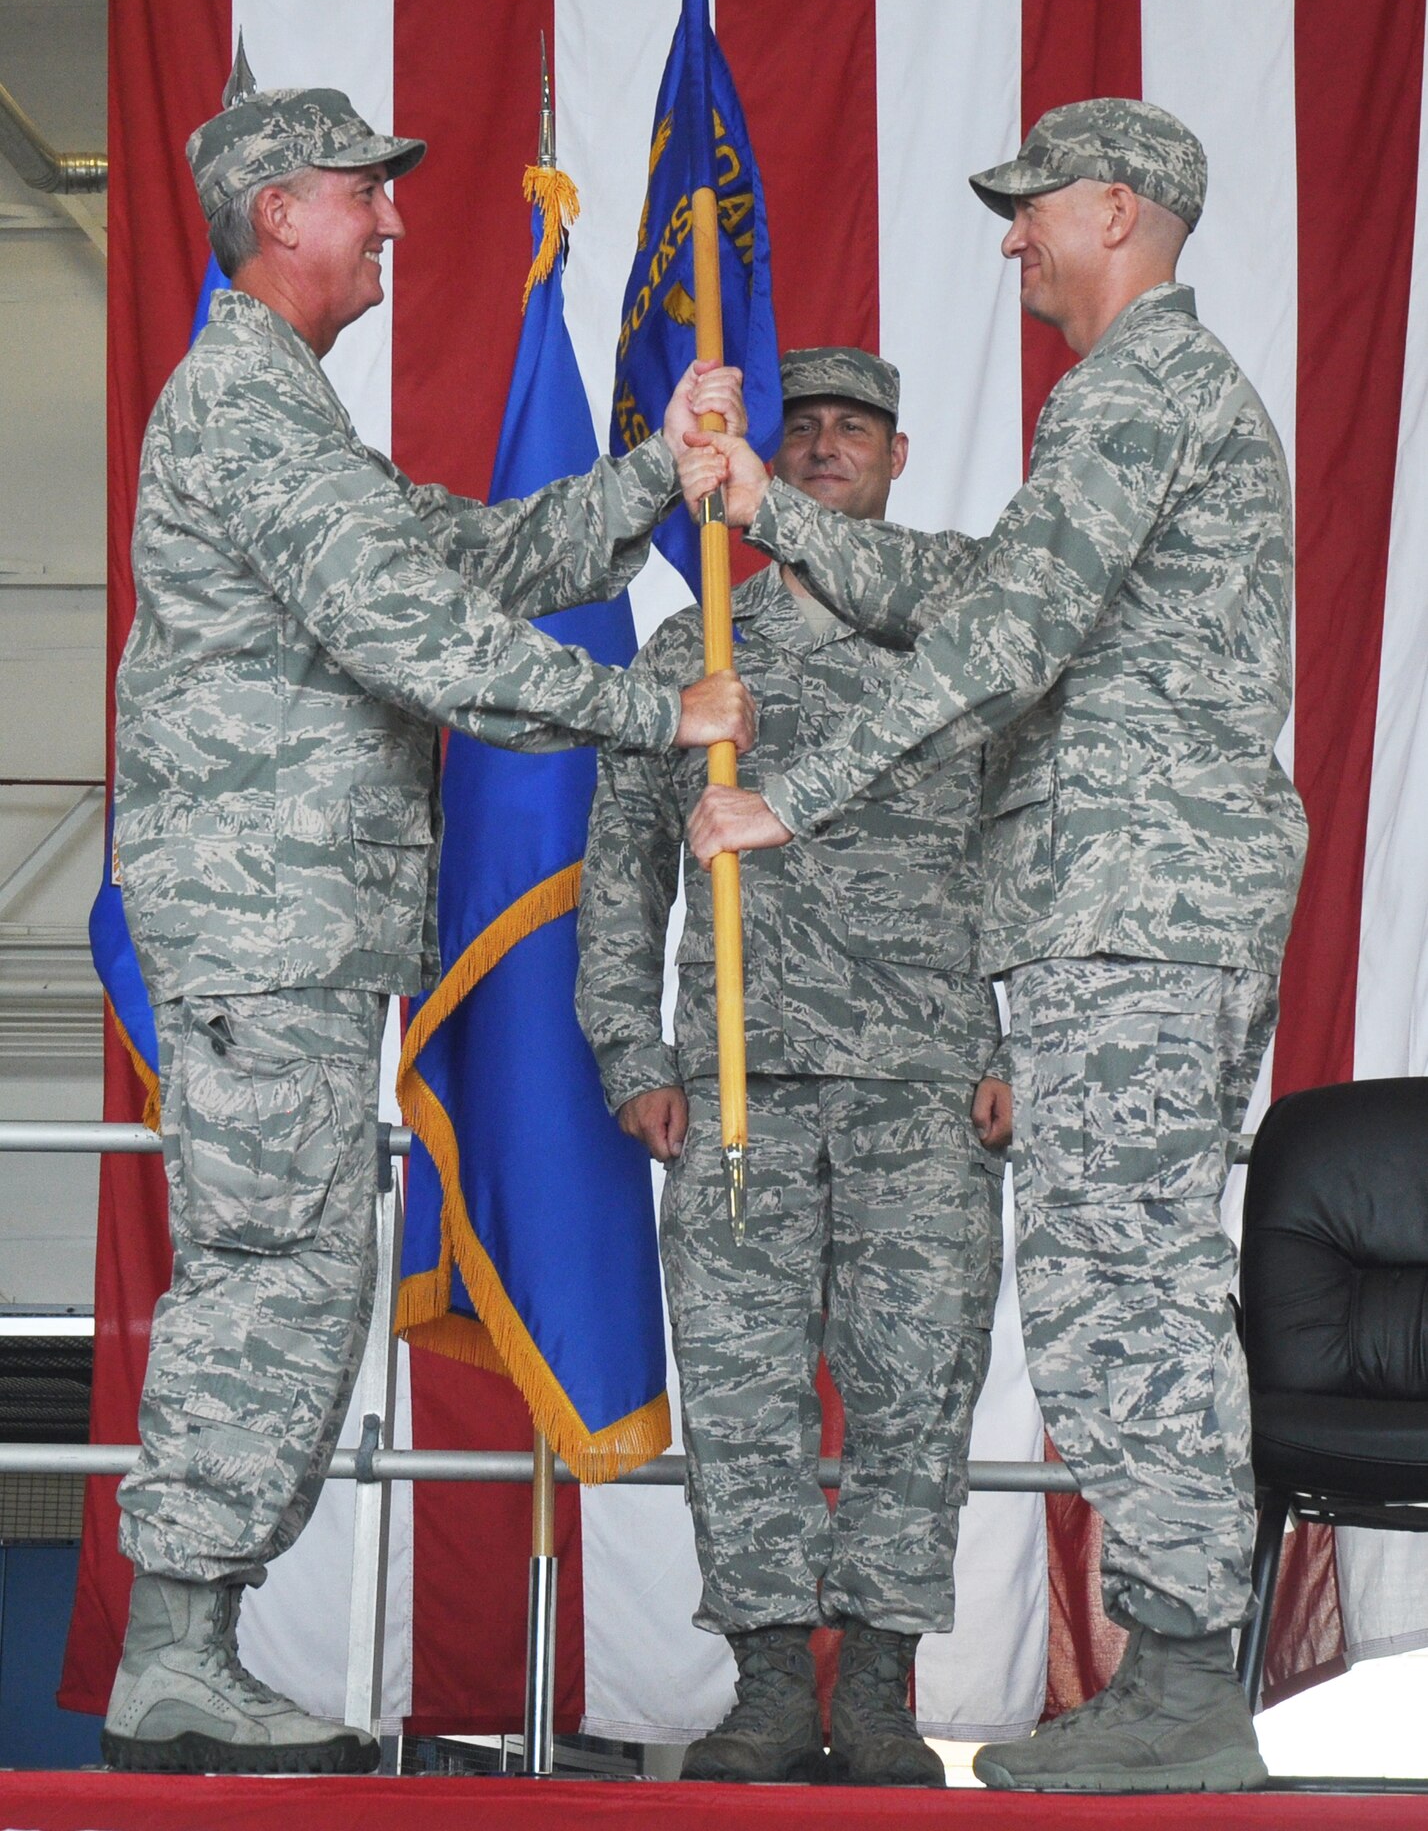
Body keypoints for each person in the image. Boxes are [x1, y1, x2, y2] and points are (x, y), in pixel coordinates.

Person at [102, 86, 754, 1776]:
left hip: (301, 930)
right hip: (266, 925)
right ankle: (174, 1653)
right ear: (278, 214)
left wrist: (653, 477)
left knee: (297, 1272)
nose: (394, 218)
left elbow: (473, 552)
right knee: (271, 1271)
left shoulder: (290, 413)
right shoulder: (243, 407)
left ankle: (189, 1644)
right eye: (363, 193)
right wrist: (648, 710)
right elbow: (411, 627)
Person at [677, 101, 1308, 1795]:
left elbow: (1008, 633)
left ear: (1118, 209)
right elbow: (981, 587)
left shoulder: (1142, 388)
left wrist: (791, 797)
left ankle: (1184, 1686)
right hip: (1129, 905)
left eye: (1034, 208)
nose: (1013, 238)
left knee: (1124, 1285)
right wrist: (775, 510)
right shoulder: (1142, 397)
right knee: (1117, 1277)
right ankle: (1178, 1679)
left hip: (1135, 906)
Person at [576, 348, 1012, 1787]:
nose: (827, 447)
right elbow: (622, 871)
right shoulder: (696, 647)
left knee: (913, 1391)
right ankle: (767, 1685)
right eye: (803, 427)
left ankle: (879, 1688)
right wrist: (631, 1048)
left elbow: (1025, 841)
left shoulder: (957, 624)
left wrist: (1007, 1039)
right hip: (738, 1083)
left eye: (855, 431)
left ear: (898, 457)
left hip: (924, 1083)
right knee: (743, 1391)